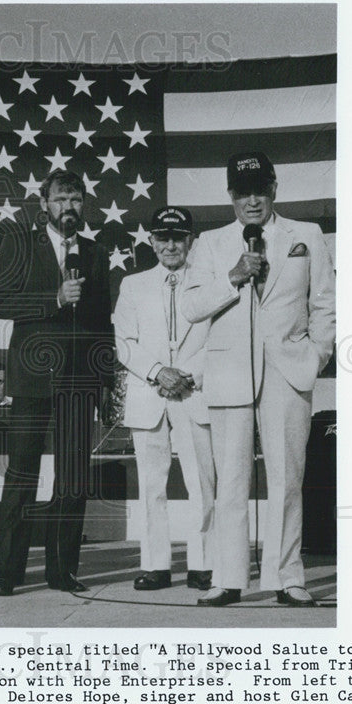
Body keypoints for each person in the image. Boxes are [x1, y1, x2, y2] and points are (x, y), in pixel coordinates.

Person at [182, 152, 335, 607]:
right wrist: (234, 277)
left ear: (274, 189)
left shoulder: (306, 236)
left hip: (289, 371)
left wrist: (315, 354)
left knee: (288, 478)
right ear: (231, 196)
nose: (252, 201)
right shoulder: (210, 243)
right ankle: (228, 577)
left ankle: (287, 576)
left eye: (260, 190)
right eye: (242, 192)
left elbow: (325, 301)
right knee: (230, 479)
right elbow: (191, 307)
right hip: (229, 372)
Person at [0, 169, 115, 595]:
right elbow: (1, 302)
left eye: (76, 200)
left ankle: (62, 570)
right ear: (44, 204)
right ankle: (6, 572)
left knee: (73, 477)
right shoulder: (20, 242)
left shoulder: (97, 254)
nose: (69, 208)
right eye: (60, 200)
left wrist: (106, 381)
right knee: (21, 474)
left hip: (79, 380)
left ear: (84, 205)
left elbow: (102, 324)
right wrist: (55, 299)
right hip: (31, 379)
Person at [114, 206, 215, 592]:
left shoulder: (210, 282)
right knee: (152, 485)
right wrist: (159, 372)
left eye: (178, 237)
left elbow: (220, 340)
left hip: (194, 392)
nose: (170, 245)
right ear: (152, 241)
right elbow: (125, 342)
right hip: (150, 393)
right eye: (162, 237)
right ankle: (156, 565)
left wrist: (190, 374)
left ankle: (203, 563)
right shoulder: (133, 285)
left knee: (201, 482)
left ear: (190, 240)